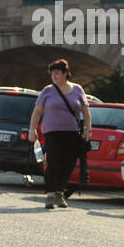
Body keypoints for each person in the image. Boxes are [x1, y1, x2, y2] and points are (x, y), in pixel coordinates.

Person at [29, 59, 91, 209]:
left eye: (57, 73)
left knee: (68, 164)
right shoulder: (47, 91)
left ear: (65, 74)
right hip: (52, 132)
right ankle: (51, 194)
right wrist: (32, 130)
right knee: (54, 162)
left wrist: (88, 129)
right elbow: (37, 111)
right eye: (52, 74)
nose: (54, 77)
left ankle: (59, 192)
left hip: (72, 133)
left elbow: (85, 110)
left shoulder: (77, 89)